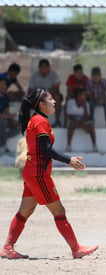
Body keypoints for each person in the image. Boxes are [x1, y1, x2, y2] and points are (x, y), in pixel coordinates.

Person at [0, 89, 98, 259]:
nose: (54, 102)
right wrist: (69, 160)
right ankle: (76, 249)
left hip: (31, 172)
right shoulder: (40, 122)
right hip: (38, 174)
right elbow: (46, 150)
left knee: (25, 210)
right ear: (42, 105)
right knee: (59, 211)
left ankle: (8, 247)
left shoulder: (35, 120)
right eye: (51, 99)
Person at [28, 59, 62, 128]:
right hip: (38, 95)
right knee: (27, 99)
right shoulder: (34, 75)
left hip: (50, 95)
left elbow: (56, 90)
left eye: (45, 68)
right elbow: (30, 89)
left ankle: (57, 121)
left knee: (57, 97)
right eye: (42, 68)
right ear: (39, 68)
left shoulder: (54, 75)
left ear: (49, 67)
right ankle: (28, 121)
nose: (44, 70)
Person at [0, 78, 19, 153]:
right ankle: (3, 145)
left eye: (4, 84)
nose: (3, 86)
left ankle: (1, 139)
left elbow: (7, 111)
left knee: (20, 126)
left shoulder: (5, 97)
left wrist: (12, 118)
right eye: (1, 84)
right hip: (2, 120)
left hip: (3, 120)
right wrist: (8, 117)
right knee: (3, 121)